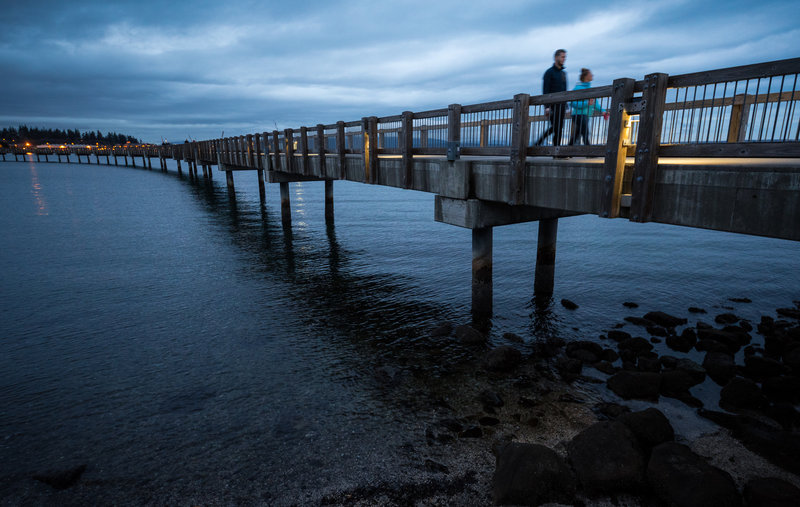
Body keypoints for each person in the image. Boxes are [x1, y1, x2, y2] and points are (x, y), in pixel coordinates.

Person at [534, 49, 568, 148]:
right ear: (556, 57)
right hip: (552, 105)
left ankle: (553, 149)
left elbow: (565, 91)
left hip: (562, 105)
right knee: (556, 127)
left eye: (565, 57)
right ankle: (549, 147)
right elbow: (545, 90)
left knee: (559, 128)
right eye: (562, 57)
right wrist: (547, 106)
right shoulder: (549, 72)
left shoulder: (563, 74)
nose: (564, 59)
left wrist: (566, 106)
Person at [568, 68, 609, 146]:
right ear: (586, 76)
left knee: (578, 133)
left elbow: (595, 104)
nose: (592, 75)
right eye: (590, 74)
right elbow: (572, 103)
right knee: (585, 133)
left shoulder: (591, 89)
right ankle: (589, 152)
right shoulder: (577, 89)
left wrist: (603, 111)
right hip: (578, 115)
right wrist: (587, 103)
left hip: (586, 115)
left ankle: (566, 152)